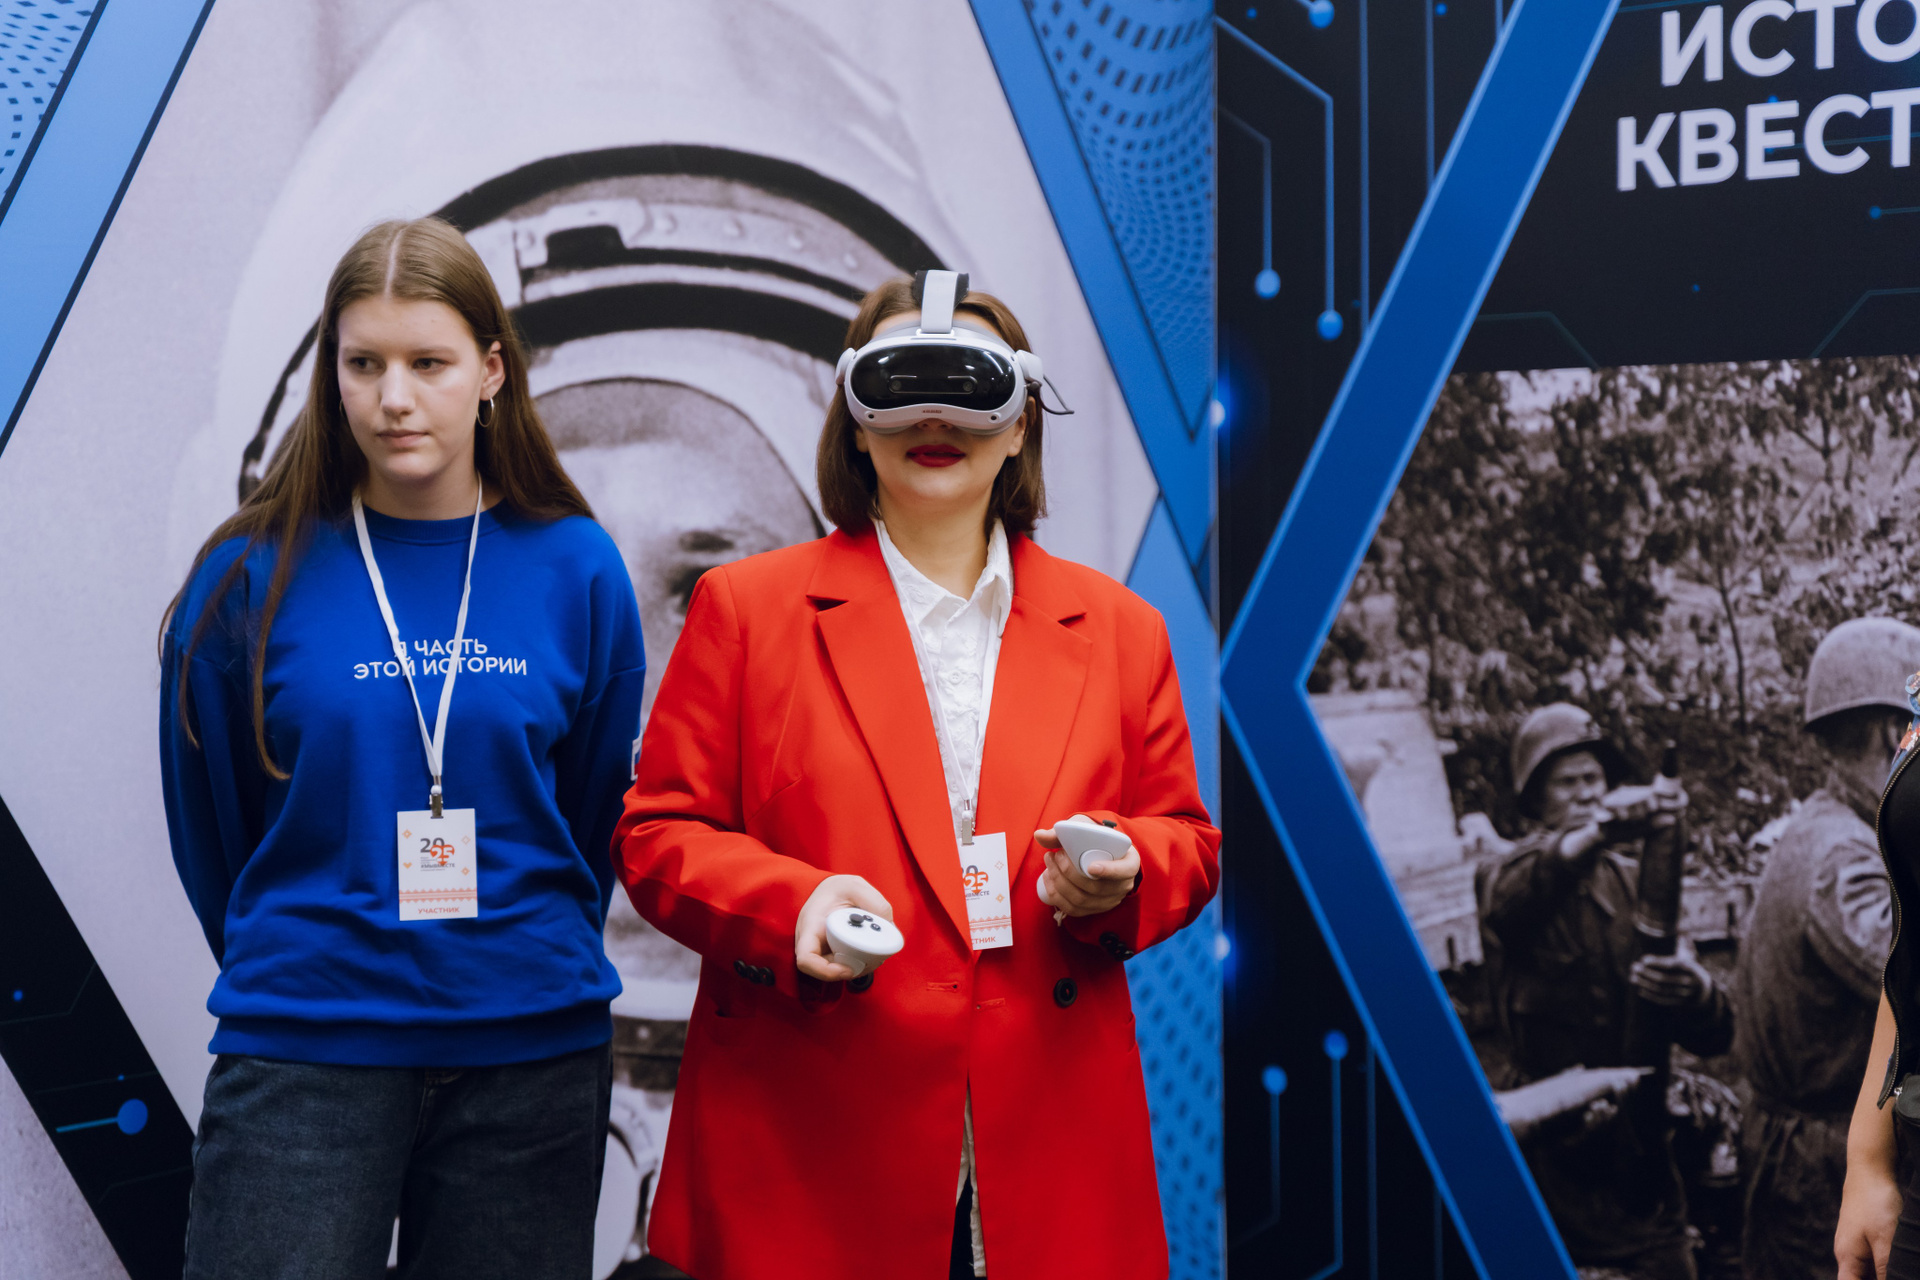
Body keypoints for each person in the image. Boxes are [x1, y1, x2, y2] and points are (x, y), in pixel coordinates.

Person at [613, 270, 1220, 1279]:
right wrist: (793, 906)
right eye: (901, 387)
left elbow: (1186, 839)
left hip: (1045, 1133)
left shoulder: (1121, 630)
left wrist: (1123, 875)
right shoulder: (747, 611)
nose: (934, 419)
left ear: (1020, 424)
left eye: (969, 388)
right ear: (855, 421)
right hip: (813, 1133)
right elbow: (657, 835)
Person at [160, 218, 645, 1280]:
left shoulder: (576, 565)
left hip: (529, 1056)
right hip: (307, 1048)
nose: (394, 397)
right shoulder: (247, 575)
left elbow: (591, 812)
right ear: (330, 374)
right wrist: (310, 949)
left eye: (428, 363)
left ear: (490, 371)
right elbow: (214, 829)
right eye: (364, 364)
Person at [1474, 703, 1732, 1280]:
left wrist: (1696, 993)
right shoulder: (1504, 875)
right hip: (1553, 1166)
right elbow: (1514, 896)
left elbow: (1716, 1034)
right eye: (1567, 783)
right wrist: (1600, 831)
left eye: (1594, 779)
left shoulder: (1636, 886)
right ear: (1535, 798)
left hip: (1640, 1163)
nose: (1587, 793)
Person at [1737, 619, 1920, 1280]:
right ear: (1893, 732)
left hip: (1805, 1151)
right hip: (1816, 1166)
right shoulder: (1843, 856)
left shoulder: (1828, 829)